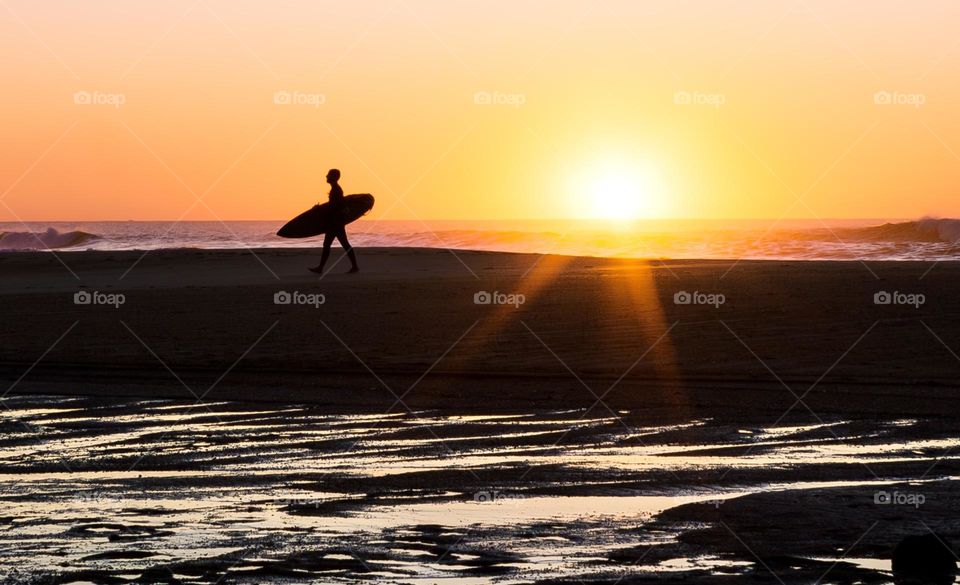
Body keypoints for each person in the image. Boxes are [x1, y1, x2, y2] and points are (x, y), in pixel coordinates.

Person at [310, 168, 359, 274]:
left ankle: (321, 268)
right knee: (340, 244)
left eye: (328, 175)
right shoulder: (335, 189)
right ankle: (354, 266)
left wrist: (318, 209)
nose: (326, 176)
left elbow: (334, 207)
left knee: (333, 244)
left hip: (335, 223)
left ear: (334, 177)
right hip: (336, 222)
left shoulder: (336, 190)